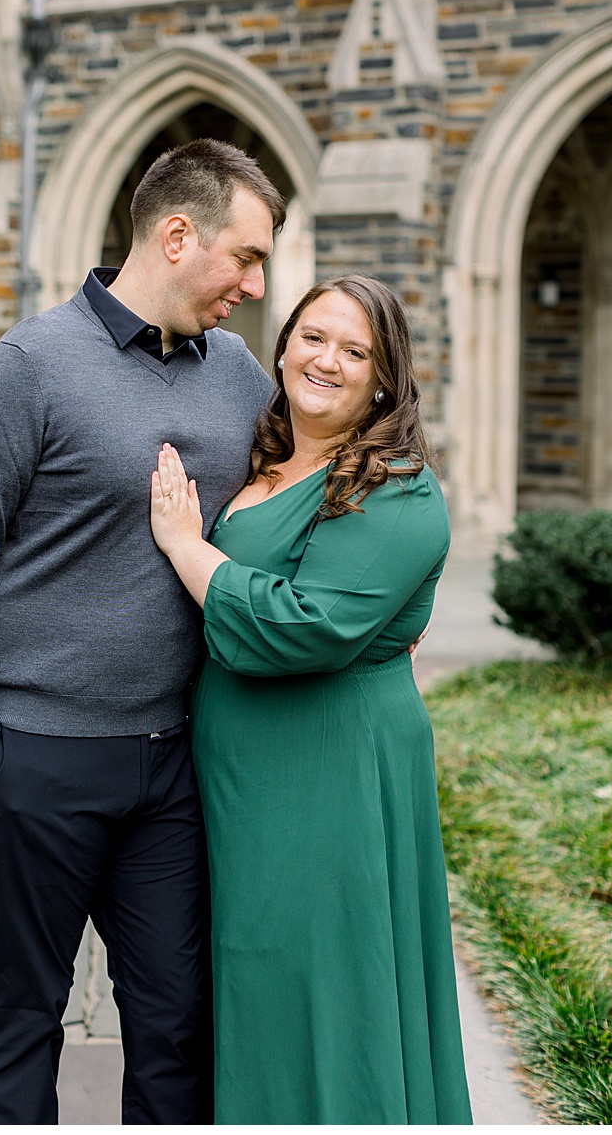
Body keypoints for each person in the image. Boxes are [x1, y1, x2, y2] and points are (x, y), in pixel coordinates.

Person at [0, 138, 283, 1122]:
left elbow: (313, 482)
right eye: (246, 257)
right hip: (33, 757)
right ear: (178, 235)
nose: (255, 286)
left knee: (177, 1025)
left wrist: (379, 599)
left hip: (173, 765)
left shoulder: (238, 371)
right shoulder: (30, 366)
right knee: (21, 1019)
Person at [147, 274, 472, 1124]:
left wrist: (185, 545)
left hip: (328, 775)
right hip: (240, 777)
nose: (326, 360)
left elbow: (303, 629)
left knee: (323, 984)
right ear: (284, 343)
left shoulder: (397, 486)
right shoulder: (264, 457)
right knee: (253, 979)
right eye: (314, 337)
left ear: (384, 380)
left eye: (355, 351)